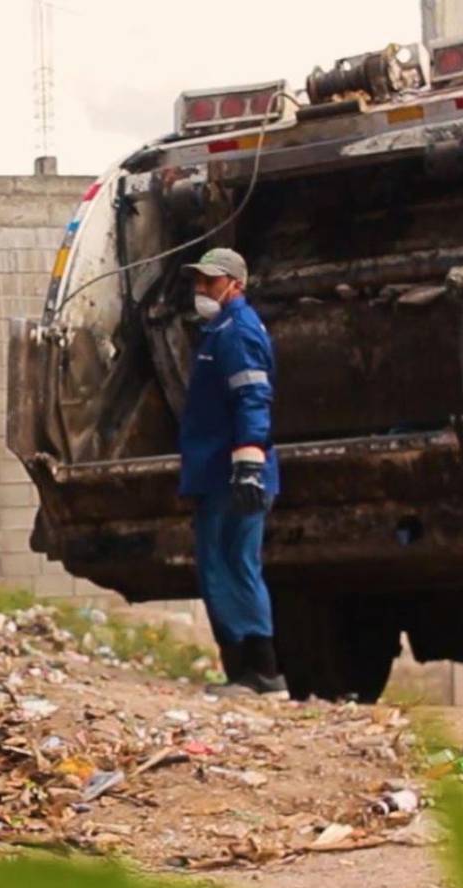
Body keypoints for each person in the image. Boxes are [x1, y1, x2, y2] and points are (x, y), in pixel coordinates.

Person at [179, 248, 287, 695]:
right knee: (220, 566)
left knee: (234, 566)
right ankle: (244, 672)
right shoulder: (220, 329)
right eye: (199, 281)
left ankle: (260, 672)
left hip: (233, 471)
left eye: (210, 281)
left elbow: (252, 399)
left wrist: (247, 464)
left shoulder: (237, 332)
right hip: (218, 469)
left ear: (235, 284)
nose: (201, 289)